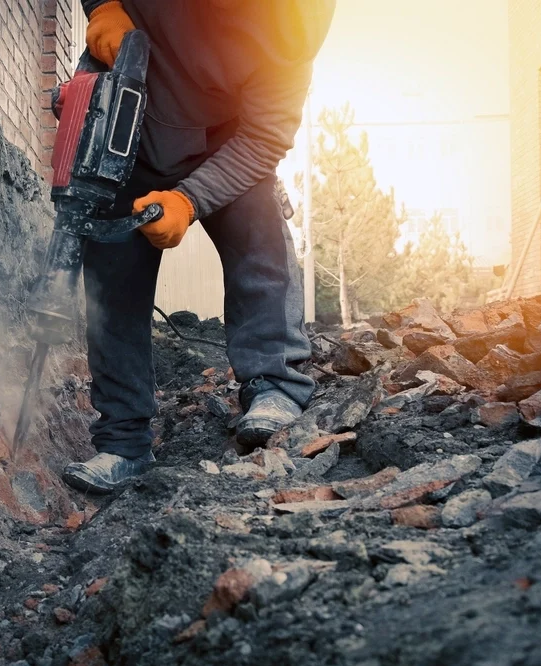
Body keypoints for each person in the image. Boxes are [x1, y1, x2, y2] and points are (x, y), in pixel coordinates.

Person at [62, 0, 336, 494]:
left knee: (260, 239)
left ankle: (274, 386)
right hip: (127, 122)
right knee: (113, 284)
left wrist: (188, 201)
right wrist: (101, 5)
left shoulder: (295, 25)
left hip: (225, 143)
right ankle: (123, 444)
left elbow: (264, 137)